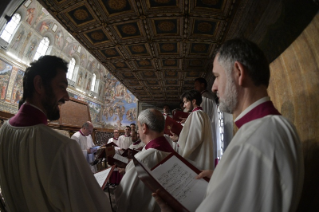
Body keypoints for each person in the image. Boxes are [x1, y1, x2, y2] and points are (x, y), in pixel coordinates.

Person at [155, 38, 304, 212]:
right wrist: (220, 176)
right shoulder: (279, 125)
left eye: (217, 76)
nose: (214, 87)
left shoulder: (253, 139)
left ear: (238, 72)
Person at [0, 56, 111, 211]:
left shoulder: (4, 131)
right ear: (39, 84)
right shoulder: (62, 146)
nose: (66, 97)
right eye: (61, 87)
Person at [115, 109, 175, 212]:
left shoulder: (141, 160)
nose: (137, 131)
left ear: (144, 128)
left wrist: (128, 170)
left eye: (138, 127)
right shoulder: (173, 152)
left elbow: (123, 198)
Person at [170, 90, 214, 170]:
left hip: (197, 158)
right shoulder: (203, 114)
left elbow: (195, 138)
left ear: (193, 101)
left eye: (186, 102)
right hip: (203, 153)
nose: (184, 105)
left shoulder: (196, 114)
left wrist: (178, 139)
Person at [194, 77, 233, 167]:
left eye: (196, 85)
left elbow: (204, 116)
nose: (195, 87)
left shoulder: (205, 97)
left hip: (210, 128)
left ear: (202, 85)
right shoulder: (205, 97)